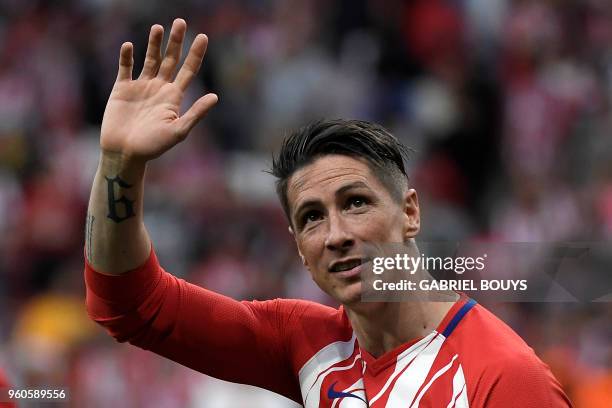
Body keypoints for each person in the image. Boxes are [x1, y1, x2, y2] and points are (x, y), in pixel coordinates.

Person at [84, 19, 572, 407]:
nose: (336, 234)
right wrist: (119, 164)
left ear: (410, 212)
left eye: (355, 202)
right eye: (312, 217)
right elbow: (129, 304)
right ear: (299, 247)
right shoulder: (306, 345)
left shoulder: (504, 378)